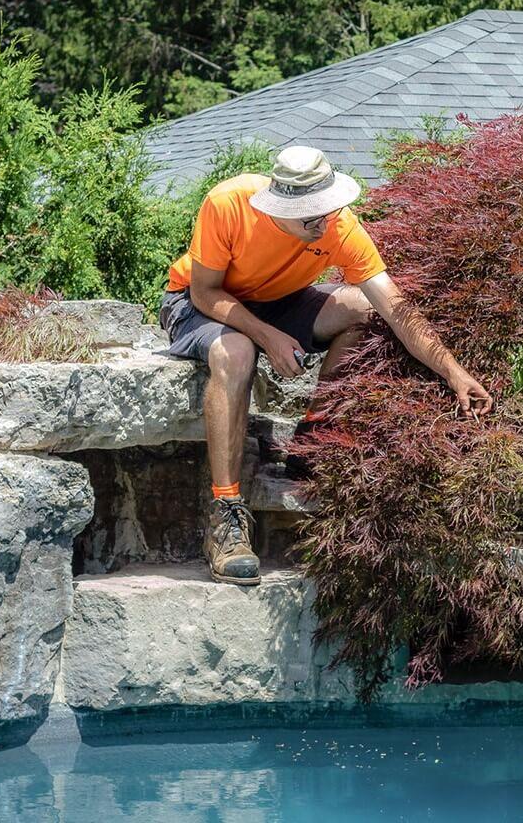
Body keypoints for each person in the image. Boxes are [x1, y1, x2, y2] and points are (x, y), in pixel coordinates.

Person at [159, 145, 494, 586]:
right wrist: (266, 336)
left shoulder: (338, 225)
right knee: (236, 351)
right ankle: (226, 516)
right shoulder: (229, 203)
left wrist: (454, 371)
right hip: (198, 304)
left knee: (365, 311)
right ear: (282, 206)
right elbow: (205, 292)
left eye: (328, 209)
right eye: (311, 216)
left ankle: (312, 438)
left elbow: (396, 308)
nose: (324, 222)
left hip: (279, 302)